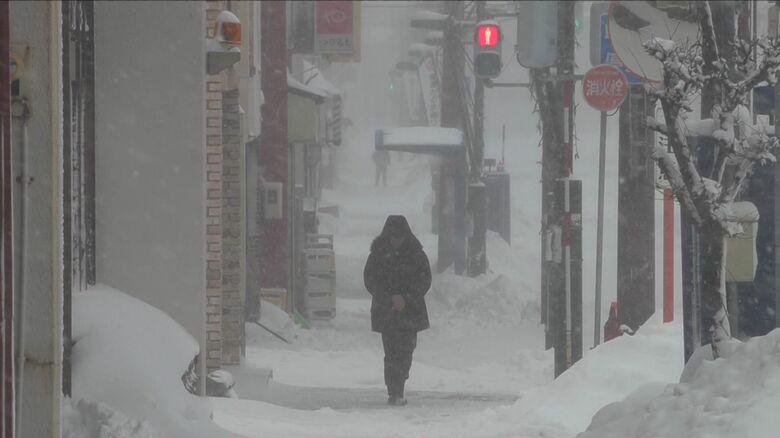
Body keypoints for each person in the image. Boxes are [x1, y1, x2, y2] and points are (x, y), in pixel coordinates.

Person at [363, 215, 431, 406]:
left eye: (399, 237)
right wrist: (390, 297)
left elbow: (425, 280)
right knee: (391, 351)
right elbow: (370, 280)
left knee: (407, 350)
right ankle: (394, 390)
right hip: (387, 311)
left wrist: (406, 298)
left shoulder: (416, 254)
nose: (396, 241)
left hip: (410, 311)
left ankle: (399, 382)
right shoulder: (377, 254)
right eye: (393, 237)